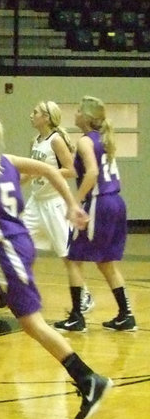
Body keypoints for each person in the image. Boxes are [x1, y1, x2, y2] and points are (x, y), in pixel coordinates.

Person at [0, 108, 112, 419]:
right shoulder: (9, 162)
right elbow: (53, 171)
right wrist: (72, 205)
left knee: (33, 324)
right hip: (10, 248)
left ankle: (88, 379)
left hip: (6, 253)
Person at [55, 95, 137, 333]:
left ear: (87, 117)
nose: (75, 113)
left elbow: (91, 173)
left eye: (78, 110)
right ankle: (126, 315)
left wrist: (76, 202)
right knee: (106, 262)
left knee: (73, 259)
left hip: (99, 203)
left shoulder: (85, 141)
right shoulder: (103, 139)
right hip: (116, 202)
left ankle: (77, 317)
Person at [23, 101, 94, 324]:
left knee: (67, 256)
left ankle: (84, 295)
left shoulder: (55, 139)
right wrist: (13, 182)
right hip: (35, 202)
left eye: (35, 112)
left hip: (54, 204)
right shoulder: (35, 140)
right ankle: (18, 290)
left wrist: (47, 172)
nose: (31, 115)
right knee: (19, 245)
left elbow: (71, 170)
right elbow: (31, 172)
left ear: (46, 117)